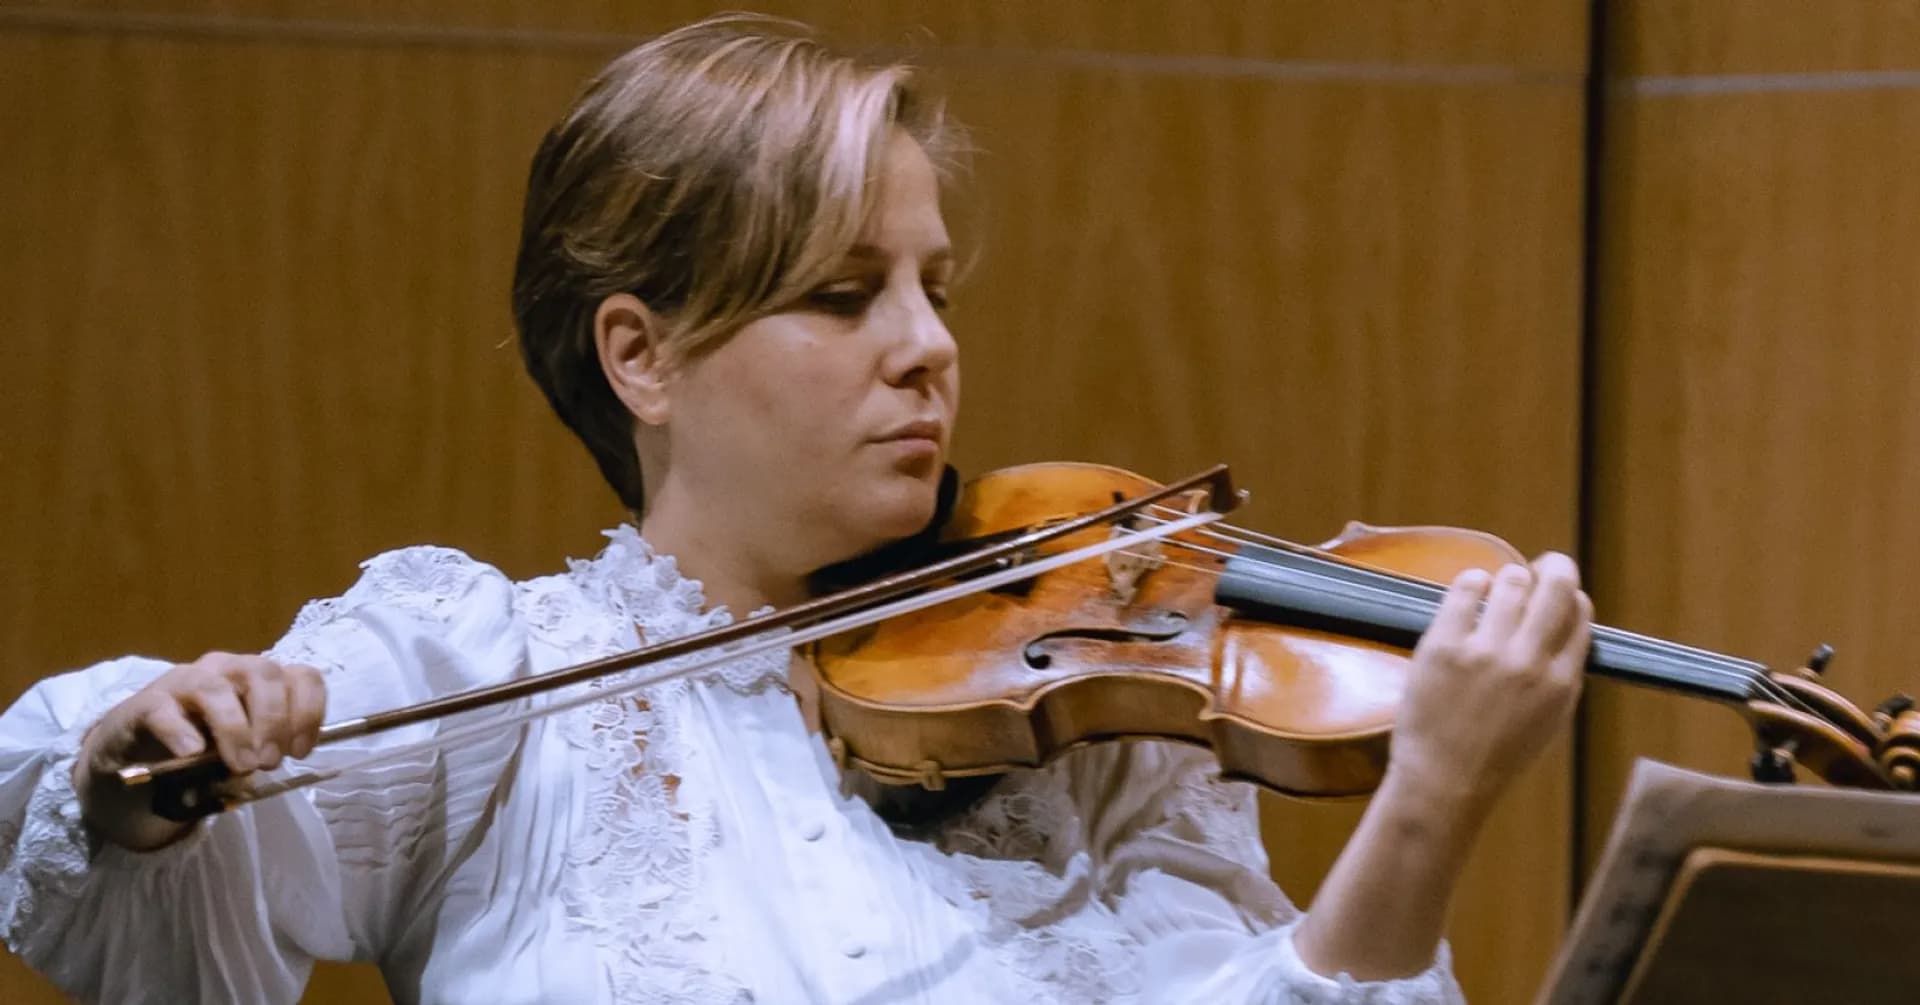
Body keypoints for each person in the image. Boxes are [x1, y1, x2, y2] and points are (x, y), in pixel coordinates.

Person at [0, 14, 1591, 1004]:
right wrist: (149, 759)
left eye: (932, 285)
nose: (930, 346)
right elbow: (135, 865)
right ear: (644, 357)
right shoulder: (486, 683)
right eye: (843, 297)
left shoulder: (1092, 735)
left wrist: (1429, 803)